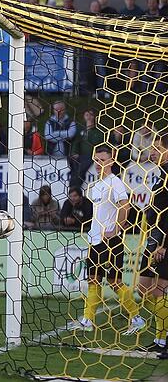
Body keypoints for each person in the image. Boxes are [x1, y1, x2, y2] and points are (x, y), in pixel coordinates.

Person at [70, 147, 145, 335]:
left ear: (111, 162)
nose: (98, 163)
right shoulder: (96, 185)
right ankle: (88, 320)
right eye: (96, 160)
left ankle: (136, 318)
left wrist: (117, 228)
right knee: (93, 280)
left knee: (114, 282)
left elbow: (125, 206)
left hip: (110, 241)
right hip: (95, 240)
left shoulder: (115, 183)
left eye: (102, 160)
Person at [136, 133, 168, 354]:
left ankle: (163, 340)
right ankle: (160, 338)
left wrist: (165, 244)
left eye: (157, 147)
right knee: (143, 288)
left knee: (160, 290)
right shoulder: (161, 173)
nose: (152, 151)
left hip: (164, 240)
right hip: (154, 237)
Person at [70, 109, 104, 187]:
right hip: (81, 156)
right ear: (84, 117)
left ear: (95, 117)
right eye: (87, 115)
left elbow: (98, 143)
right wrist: (74, 152)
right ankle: (73, 185)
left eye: (91, 115)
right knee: (73, 163)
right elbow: (76, 142)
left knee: (82, 168)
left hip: (91, 156)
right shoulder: (80, 130)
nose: (89, 117)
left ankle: (75, 186)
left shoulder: (99, 132)